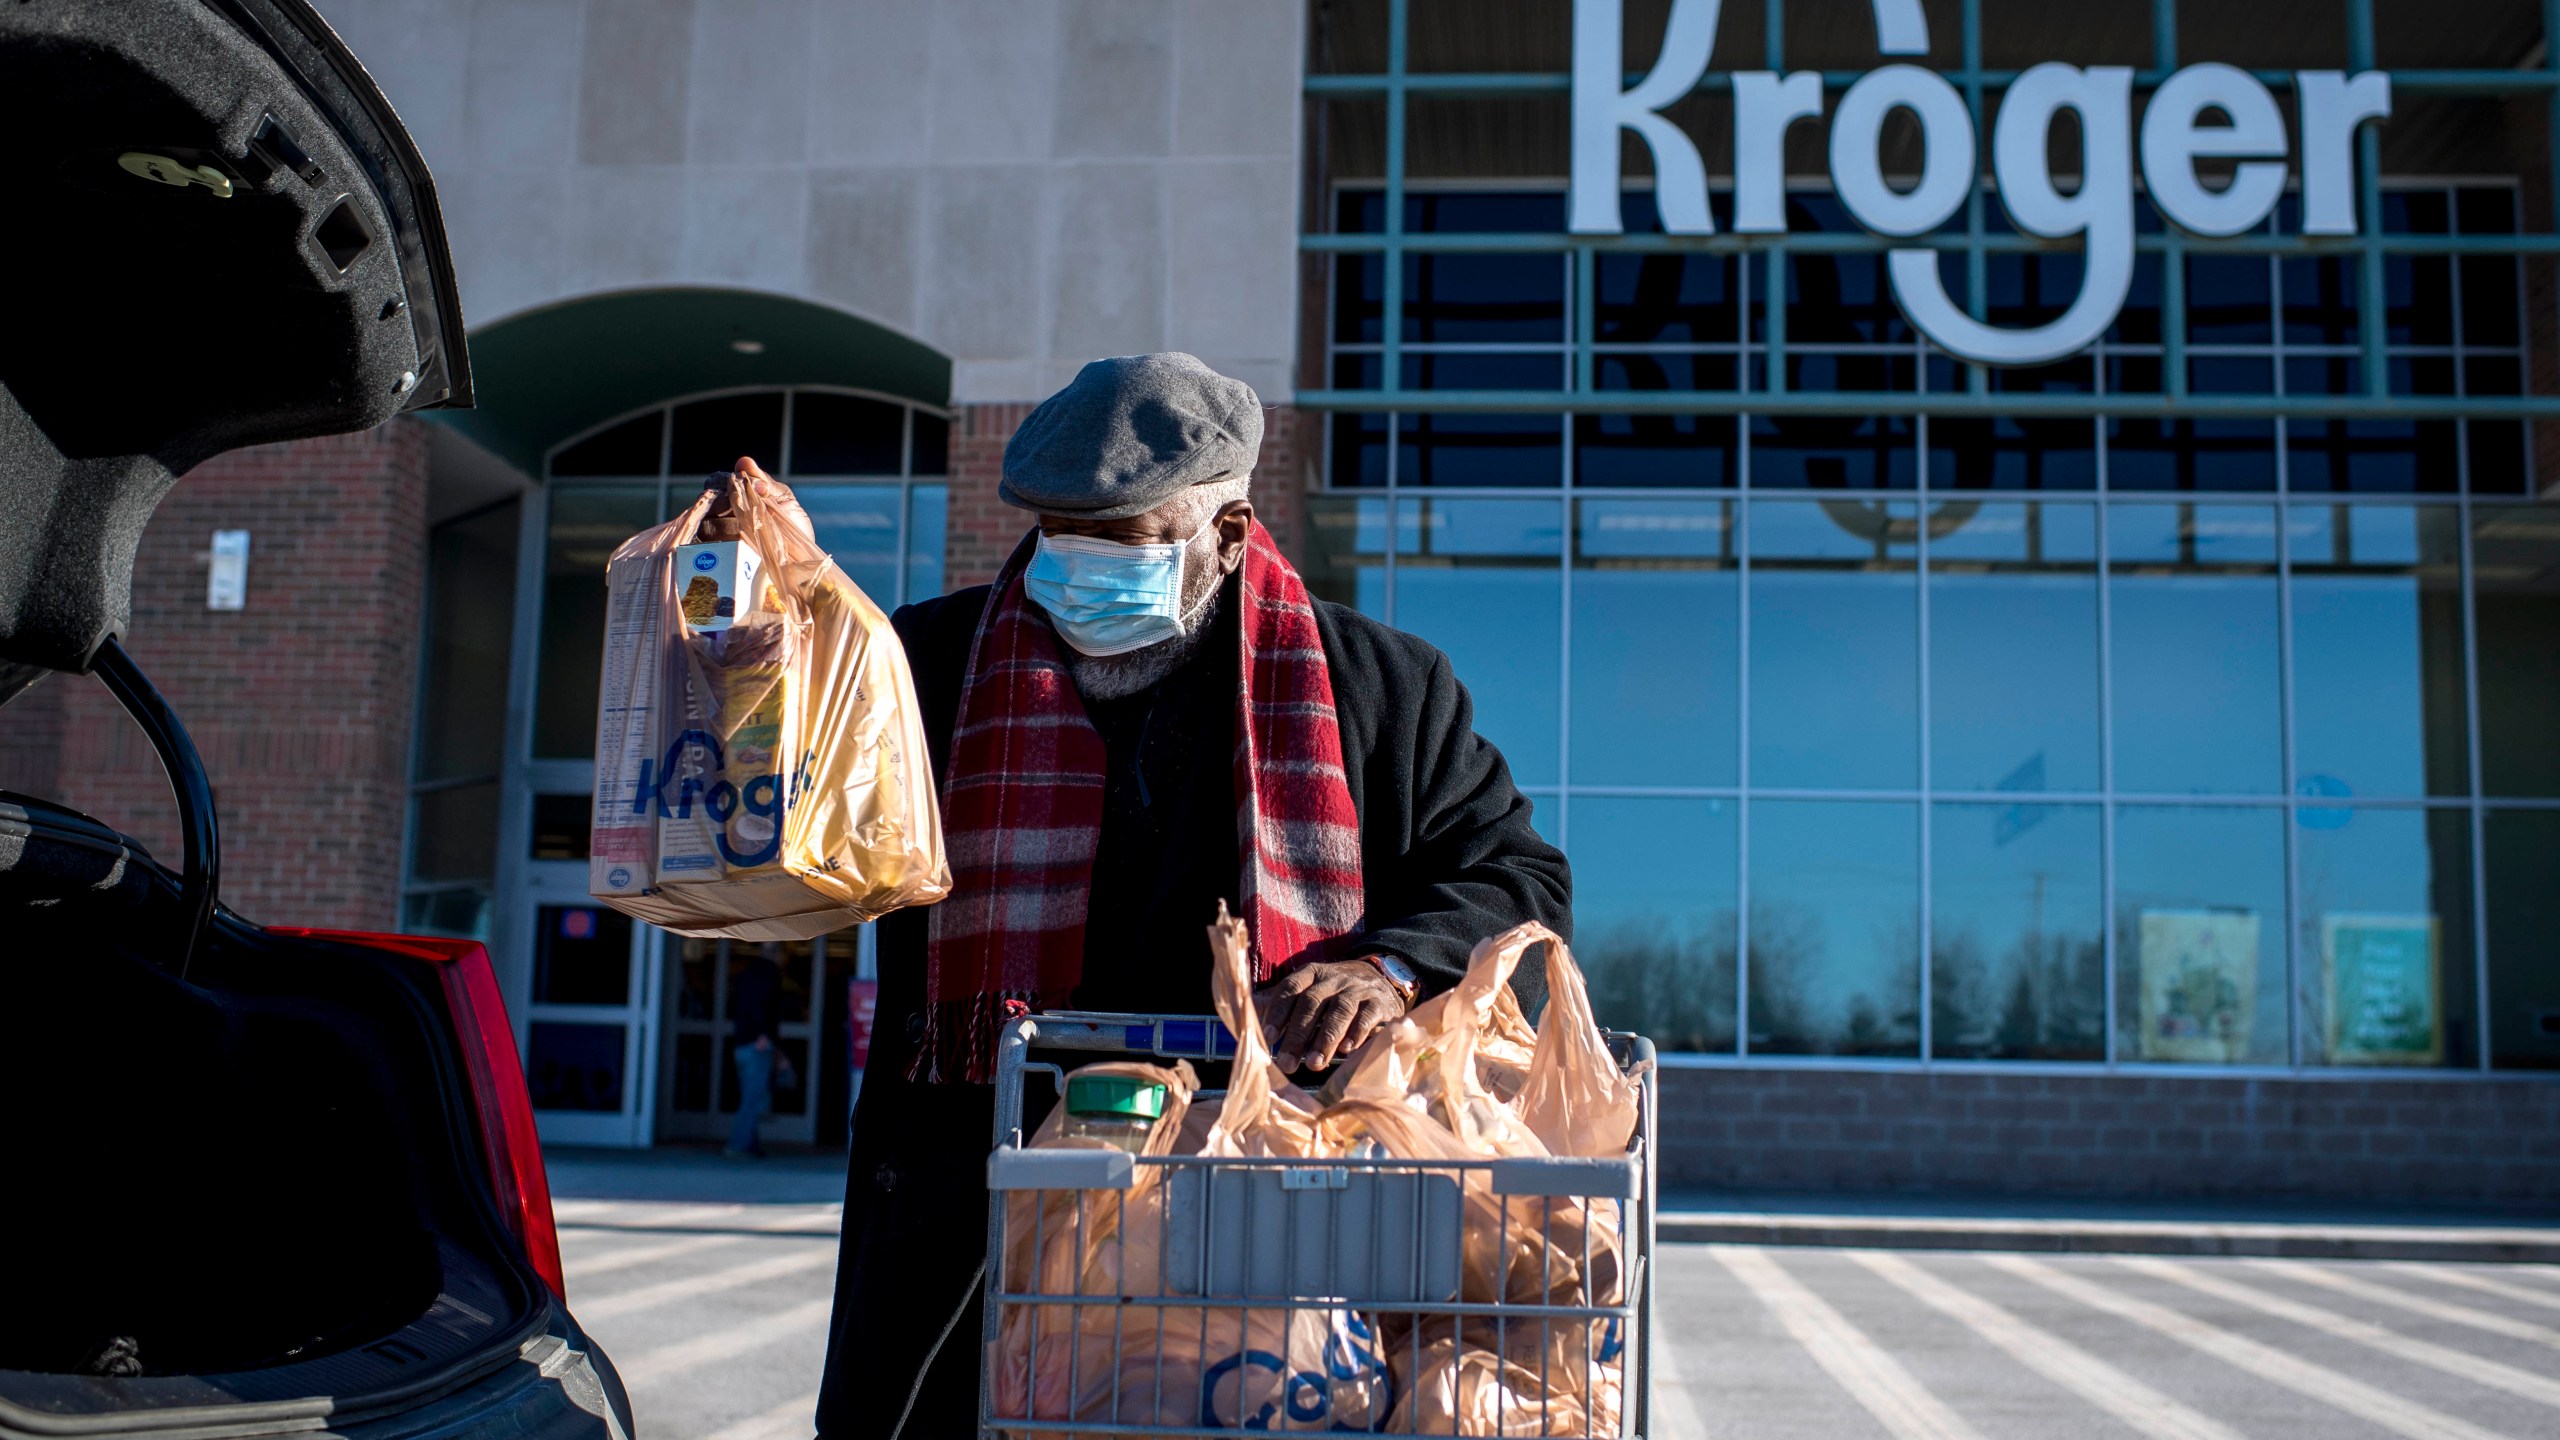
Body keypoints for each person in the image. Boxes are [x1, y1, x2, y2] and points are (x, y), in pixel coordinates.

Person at [814, 353, 1570, 1440]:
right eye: (1053, 534)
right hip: (973, 1197)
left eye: (1120, 541)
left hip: (1261, 1202)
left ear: (1226, 533)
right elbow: (812, 838)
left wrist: (1389, 966)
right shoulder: (927, 663)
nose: (1071, 568)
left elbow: (1513, 874)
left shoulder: (1380, 686)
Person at [725, 942, 783, 1158]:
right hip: (757, 1044)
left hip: (741, 1043)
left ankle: (750, 1143)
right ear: (776, 954)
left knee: (750, 1096)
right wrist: (763, 1034)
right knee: (753, 1099)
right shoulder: (769, 974)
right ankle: (738, 1144)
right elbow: (764, 1007)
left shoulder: (745, 975)